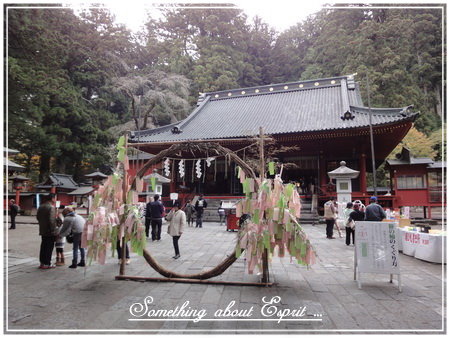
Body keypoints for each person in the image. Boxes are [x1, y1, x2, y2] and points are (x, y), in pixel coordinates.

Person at [36, 193, 57, 269]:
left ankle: (42, 263)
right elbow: (52, 221)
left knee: (43, 246)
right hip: (49, 231)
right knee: (49, 247)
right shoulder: (51, 207)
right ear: (52, 199)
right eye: (55, 198)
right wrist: (54, 231)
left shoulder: (41, 206)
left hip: (42, 229)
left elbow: (38, 217)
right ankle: (47, 263)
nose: (55, 200)